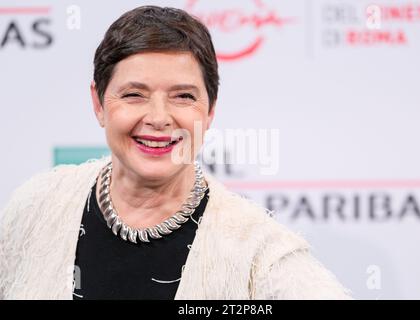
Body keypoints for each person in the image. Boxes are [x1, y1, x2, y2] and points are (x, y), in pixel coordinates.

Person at [0, 5, 351, 300]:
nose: (157, 118)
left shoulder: (260, 253)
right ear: (98, 103)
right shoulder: (35, 207)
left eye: (183, 96)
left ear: (210, 110)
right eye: (133, 94)